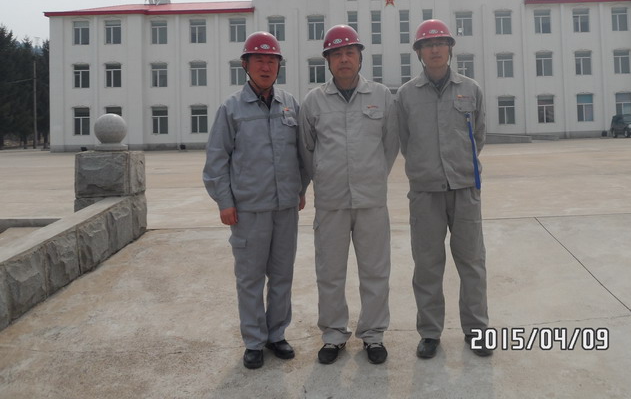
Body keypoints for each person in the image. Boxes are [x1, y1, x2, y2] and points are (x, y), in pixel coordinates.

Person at [203, 31, 308, 370]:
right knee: (250, 279)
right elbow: (216, 160)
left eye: (272, 61)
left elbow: (303, 154)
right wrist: (224, 202)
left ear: (279, 66)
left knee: (282, 275)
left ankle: (276, 335)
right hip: (248, 211)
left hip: (285, 209)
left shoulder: (290, 104)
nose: (266, 66)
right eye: (259, 60)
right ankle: (253, 341)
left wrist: (300, 190)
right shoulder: (231, 109)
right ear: (245, 65)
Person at [298, 24, 399, 365]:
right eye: (337, 54)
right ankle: (333, 334)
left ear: (360, 58)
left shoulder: (381, 96)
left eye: (350, 53)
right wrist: (324, 177)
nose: (344, 59)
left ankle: (373, 335)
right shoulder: (313, 101)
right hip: (331, 202)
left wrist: (373, 175)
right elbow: (306, 150)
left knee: (375, 271)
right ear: (327, 60)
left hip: (371, 201)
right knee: (330, 272)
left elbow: (390, 144)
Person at [396, 19, 493, 359]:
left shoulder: (471, 89)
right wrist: (426, 168)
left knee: (472, 263)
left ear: (450, 48)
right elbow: (405, 141)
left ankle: (477, 330)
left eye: (440, 43)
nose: (434, 49)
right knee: (427, 265)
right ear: (419, 52)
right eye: (427, 44)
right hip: (425, 193)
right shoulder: (406, 95)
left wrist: (459, 164)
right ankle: (429, 333)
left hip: (465, 189)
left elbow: (478, 135)